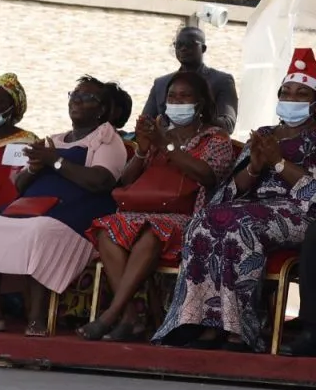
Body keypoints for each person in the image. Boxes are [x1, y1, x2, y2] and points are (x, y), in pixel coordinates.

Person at [154, 50, 316, 350]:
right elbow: (233, 187)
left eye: (301, 94)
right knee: (205, 220)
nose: (291, 99)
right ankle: (200, 322)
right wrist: (255, 166)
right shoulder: (265, 133)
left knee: (238, 225)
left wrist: (279, 162)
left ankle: (238, 329)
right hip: (252, 205)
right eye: (286, 92)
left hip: (299, 212)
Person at [0, 76, 131, 336]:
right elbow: (20, 184)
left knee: (39, 232)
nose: (77, 101)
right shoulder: (55, 140)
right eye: (74, 95)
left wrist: (55, 161)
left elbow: (100, 181)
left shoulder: (106, 139)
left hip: (77, 214)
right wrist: (35, 168)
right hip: (31, 207)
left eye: (86, 97)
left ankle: (36, 317)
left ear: (102, 109)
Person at [81, 72, 235, 340]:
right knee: (107, 230)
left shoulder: (216, 139)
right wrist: (142, 150)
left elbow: (209, 175)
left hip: (190, 217)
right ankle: (130, 316)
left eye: (184, 96)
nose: (177, 102)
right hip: (145, 211)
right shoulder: (159, 136)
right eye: (172, 97)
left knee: (153, 233)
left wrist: (167, 146)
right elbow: (127, 181)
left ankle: (110, 315)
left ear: (200, 103)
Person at [141, 24, 237, 133]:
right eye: (179, 45)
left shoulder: (222, 81)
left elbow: (228, 124)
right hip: (167, 142)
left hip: (206, 141)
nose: (183, 48)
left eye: (190, 44)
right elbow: (145, 122)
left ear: (203, 48)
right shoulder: (161, 83)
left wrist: (196, 118)